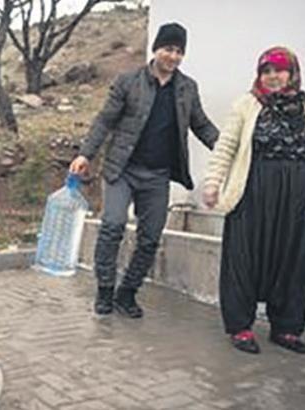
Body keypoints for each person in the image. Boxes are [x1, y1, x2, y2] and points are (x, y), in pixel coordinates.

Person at [202, 46, 305, 354]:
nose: (272, 76)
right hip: (254, 191)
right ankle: (240, 327)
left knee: (294, 260)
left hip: (300, 195)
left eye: (279, 70)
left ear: (292, 73)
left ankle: (286, 328)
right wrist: (213, 183)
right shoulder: (247, 104)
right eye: (266, 71)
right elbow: (226, 146)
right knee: (244, 257)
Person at [70, 23, 219, 318]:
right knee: (112, 226)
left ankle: (127, 293)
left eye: (179, 51)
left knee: (150, 237)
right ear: (156, 49)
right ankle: (105, 291)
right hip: (122, 170)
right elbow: (105, 120)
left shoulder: (187, 88)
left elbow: (201, 125)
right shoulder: (128, 82)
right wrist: (86, 153)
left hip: (158, 175)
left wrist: (228, 150)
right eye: (168, 49)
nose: (173, 56)